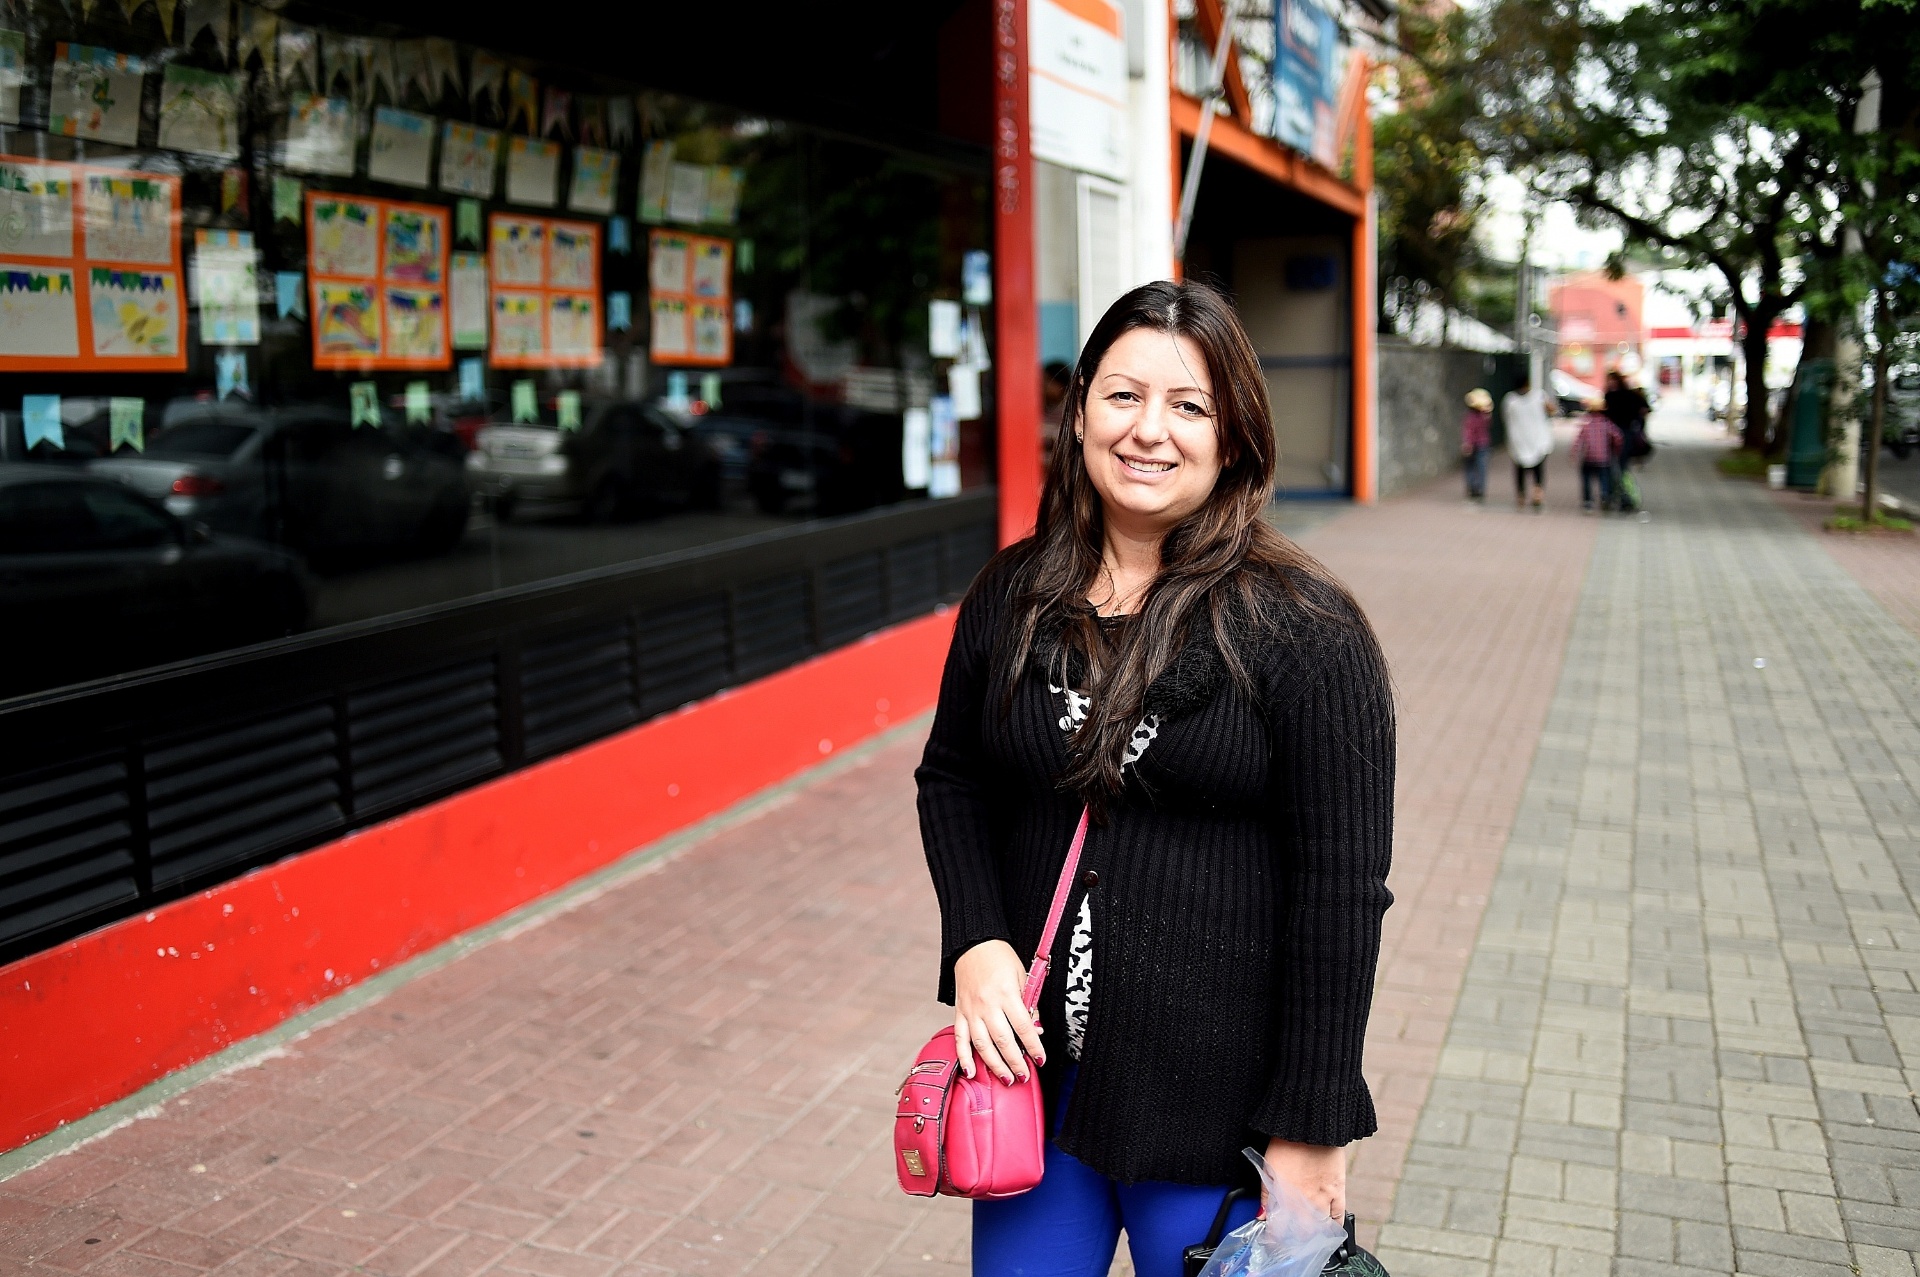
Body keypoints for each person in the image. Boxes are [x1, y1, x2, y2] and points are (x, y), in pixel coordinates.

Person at [917, 280, 1395, 1277]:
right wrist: (976, 940)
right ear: (1082, 406)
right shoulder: (1013, 593)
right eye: (1124, 396)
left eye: (1189, 405)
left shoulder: (1305, 629)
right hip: (1036, 1094)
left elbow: (1340, 894)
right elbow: (953, 776)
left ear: (1235, 436)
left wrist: (1311, 1126)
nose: (1150, 430)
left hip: (1216, 1113)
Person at [1502, 372, 1554, 510]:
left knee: (1519, 469)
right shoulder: (1539, 396)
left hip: (1518, 439)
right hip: (1538, 438)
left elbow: (1506, 418)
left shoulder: (1509, 400)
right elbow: (1551, 410)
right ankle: (1538, 494)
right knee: (1539, 469)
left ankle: (1521, 496)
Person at [1574, 398, 1623, 512]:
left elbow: (1578, 440)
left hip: (1589, 457)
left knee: (1586, 479)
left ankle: (1588, 501)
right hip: (1603, 458)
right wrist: (1616, 449)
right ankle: (1605, 496)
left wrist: (1574, 453)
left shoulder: (1586, 423)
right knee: (1604, 478)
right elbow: (1618, 436)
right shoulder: (1607, 423)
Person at [1604, 370, 1651, 464]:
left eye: (1612, 380)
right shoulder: (1609, 395)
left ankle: (1622, 471)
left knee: (1623, 451)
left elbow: (1643, 407)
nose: (1611, 383)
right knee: (1611, 452)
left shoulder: (1628, 394)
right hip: (1611, 427)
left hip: (1625, 426)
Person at [1461, 388, 1494, 501]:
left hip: (1479, 444)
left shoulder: (1474, 416)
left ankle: (1475, 487)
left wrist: (1467, 443)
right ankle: (1477, 487)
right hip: (1481, 443)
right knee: (1479, 466)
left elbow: (1468, 431)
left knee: (1475, 466)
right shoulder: (1481, 416)